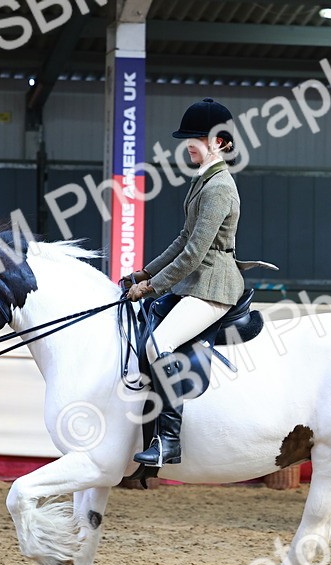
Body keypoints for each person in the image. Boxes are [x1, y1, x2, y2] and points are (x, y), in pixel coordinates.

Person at [123, 98, 245, 467]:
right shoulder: (203, 181)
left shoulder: (220, 186)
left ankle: (169, 441)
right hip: (193, 282)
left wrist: (151, 287)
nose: (188, 144)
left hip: (213, 285)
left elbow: (193, 254)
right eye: (188, 137)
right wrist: (144, 271)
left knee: (159, 344)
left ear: (219, 142)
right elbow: (181, 239)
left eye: (196, 137)